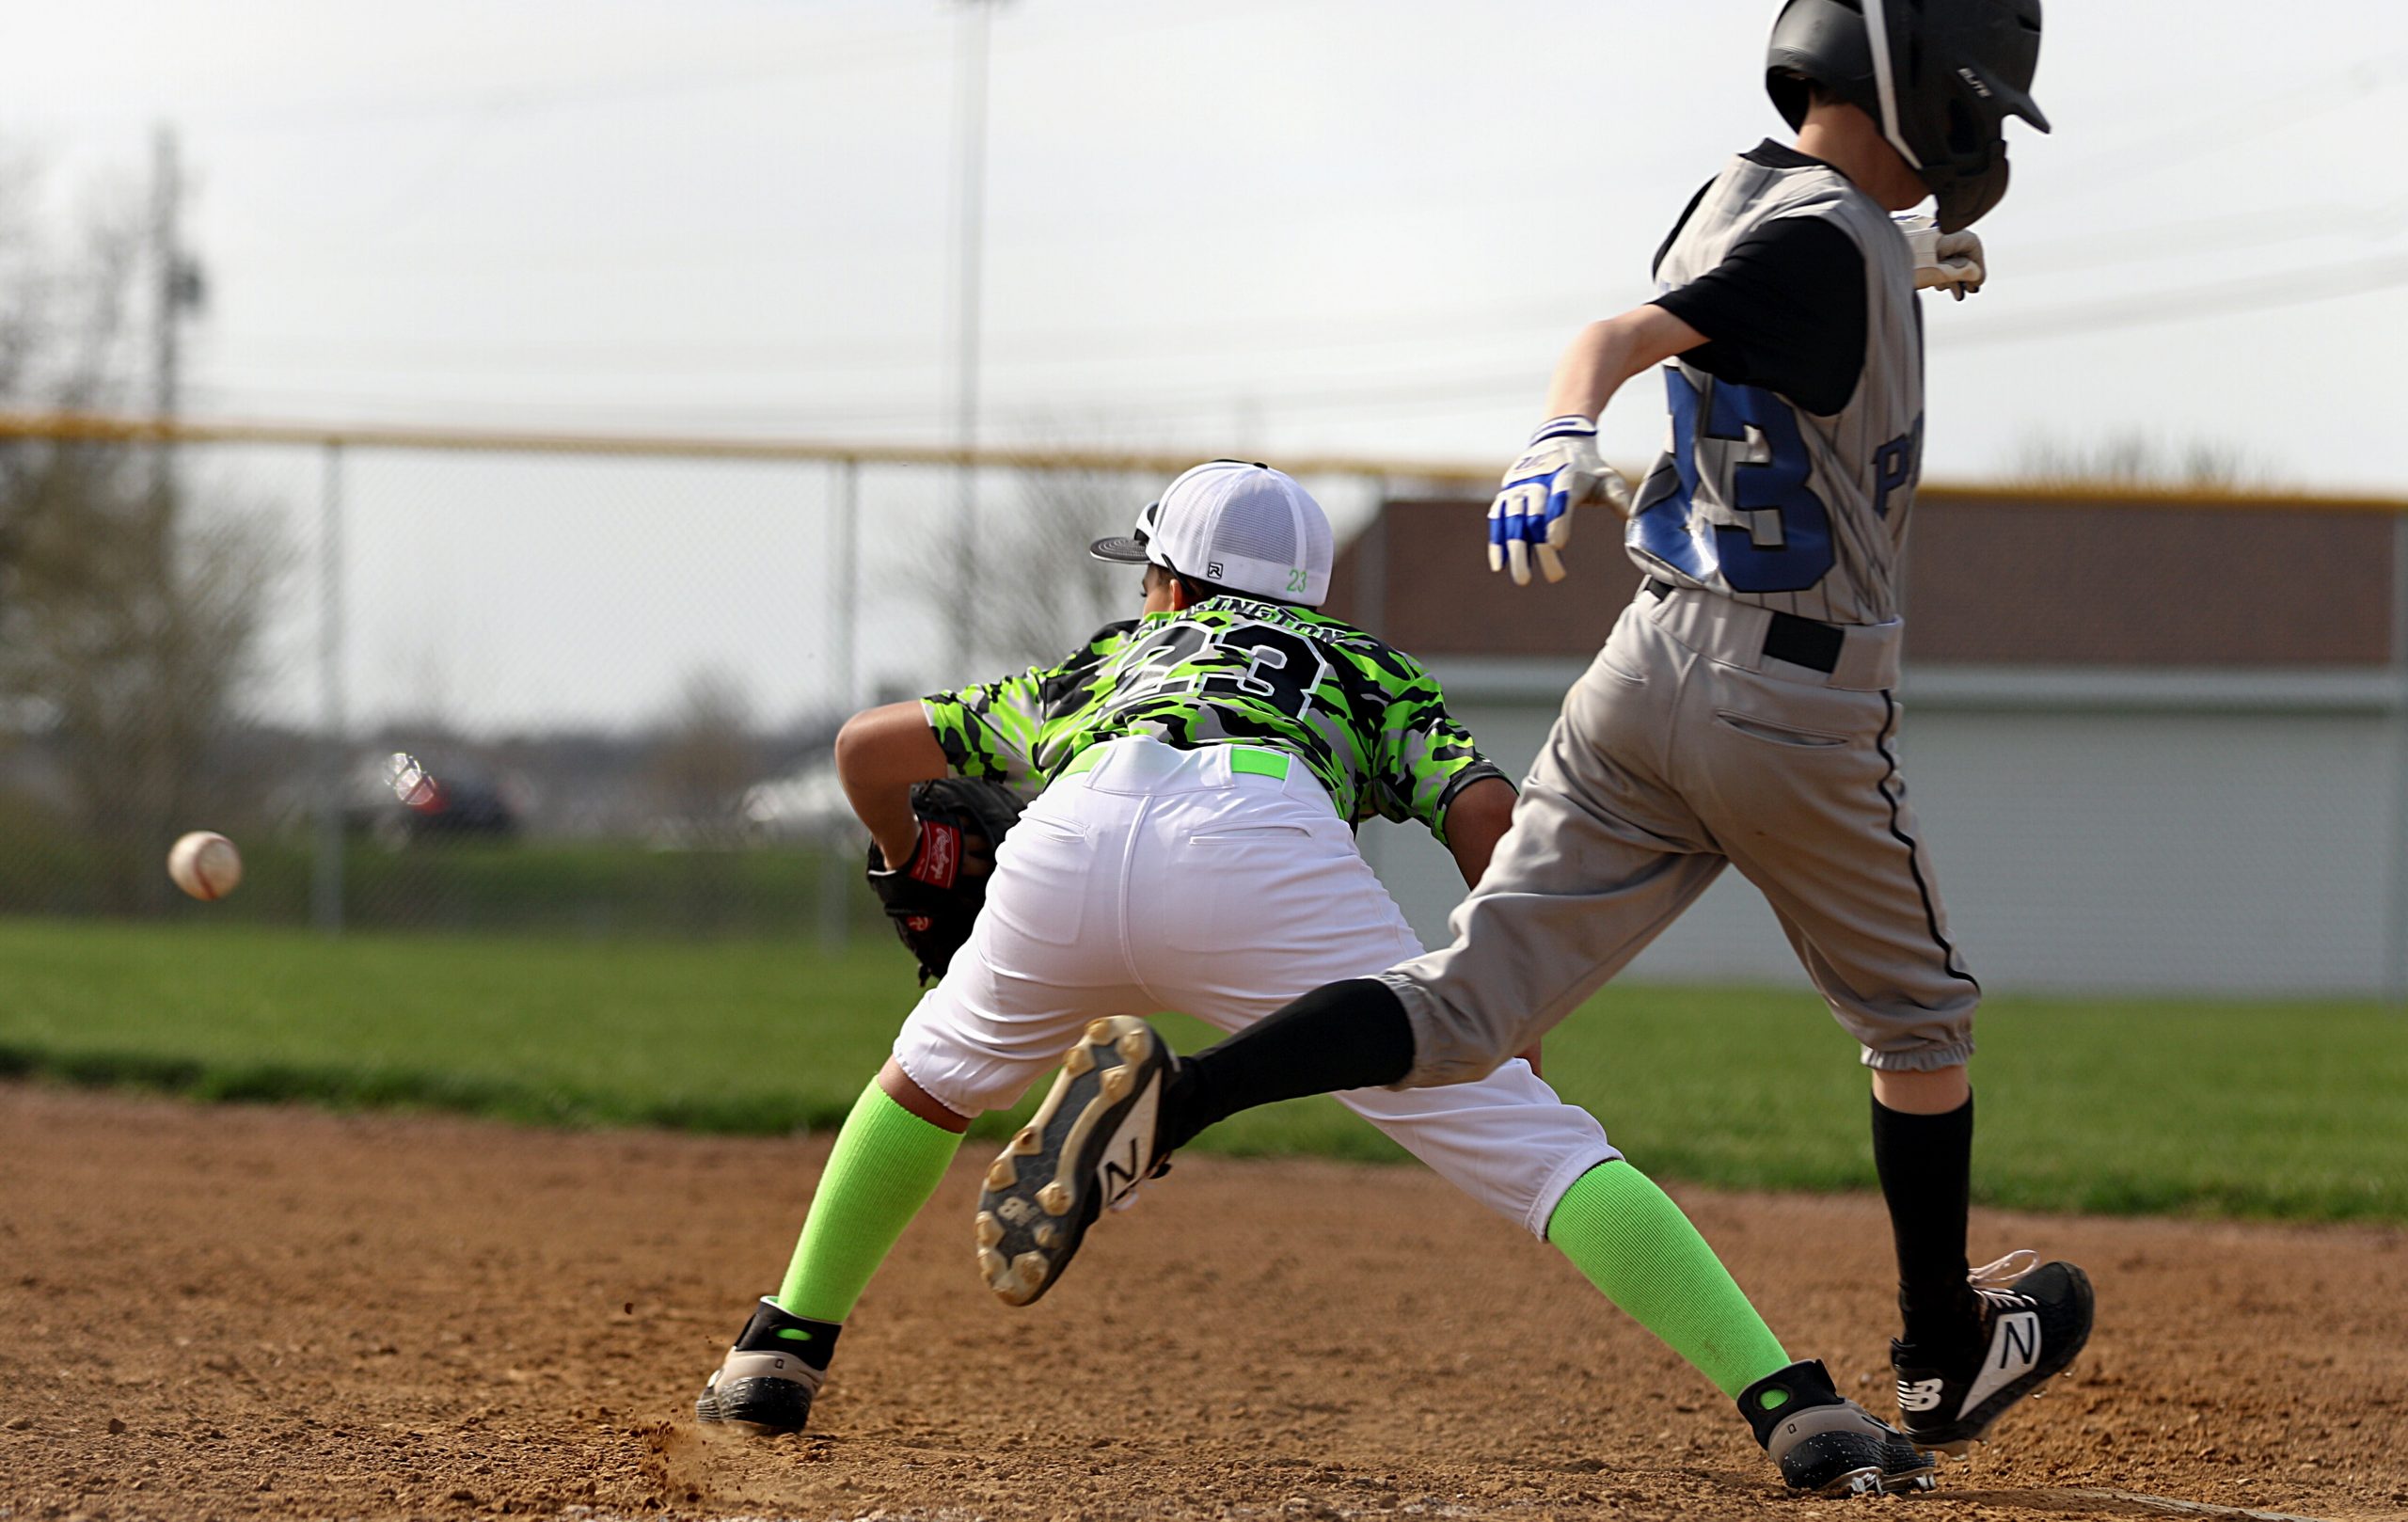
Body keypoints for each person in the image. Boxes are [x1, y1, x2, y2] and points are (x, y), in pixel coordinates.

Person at [975, 0, 2092, 1461]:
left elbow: (1745, 294)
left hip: (1641, 673)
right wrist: (1566, 424)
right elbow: (1629, 334)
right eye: (1974, 105)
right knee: (1921, 1017)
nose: (1979, 135)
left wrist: (1902, 261)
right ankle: (1947, 1348)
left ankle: (1177, 1097)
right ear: (1923, 90)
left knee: (1463, 1004)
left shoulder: (1737, 201)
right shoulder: (1830, 245)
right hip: (1801, 700)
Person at [694, 460, 1935, 1495]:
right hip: (1260, 846)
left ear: (1169, 582)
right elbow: (1484, 807)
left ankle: (781, 1348)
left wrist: (915, 851)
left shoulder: (1111, 658)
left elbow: (871, 751)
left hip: (1071, 826)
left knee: (925, 1080)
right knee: (1541, 1148)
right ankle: (1793, 1404)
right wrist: (1509, 996)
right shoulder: (1360, 663)